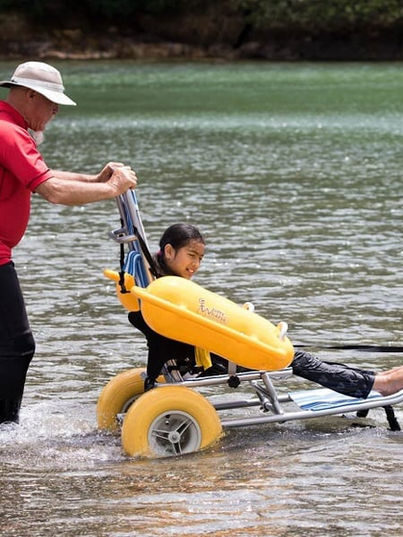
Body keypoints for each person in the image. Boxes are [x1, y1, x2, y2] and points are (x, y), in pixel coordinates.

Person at [0, 61, 138, 425]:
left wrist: (94, 180)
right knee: (17, 346)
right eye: (51, 102)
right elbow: (53, 191)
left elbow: (42, 175)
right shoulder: (9, 133)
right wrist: (112, 189)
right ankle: (5, 431)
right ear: (29, 95)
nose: (55, 111)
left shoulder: (8, 128)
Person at [128, 223, 403, 399]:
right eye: (191, 256)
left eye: (200, 258)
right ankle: (379, 384)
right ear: (169, 251)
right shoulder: (167, 293)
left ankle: (371, 377)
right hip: (209, 363)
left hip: (200, 357)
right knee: (296, 359)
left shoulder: (161, 287)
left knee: (298, 355)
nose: (196, 265)